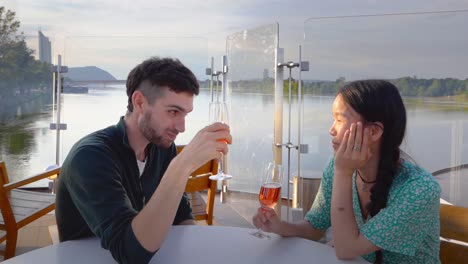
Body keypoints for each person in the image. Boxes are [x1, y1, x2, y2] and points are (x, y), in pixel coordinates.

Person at [56, 57, 231, 264]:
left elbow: (180, 213)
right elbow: (129, 253)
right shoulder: (90, 157)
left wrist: (195, 252)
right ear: (139, 102)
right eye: (173, 112)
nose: (181, 127)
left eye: (185, 114)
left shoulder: (162, 147)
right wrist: (182, 165)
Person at [253, 80, 441, 263]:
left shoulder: (419, 190)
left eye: (340, 120)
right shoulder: (338, 165)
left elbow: (346, 249)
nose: (331, 130)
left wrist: (343, 173)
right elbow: (315, 226)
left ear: (374, 132)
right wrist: (280, 226)